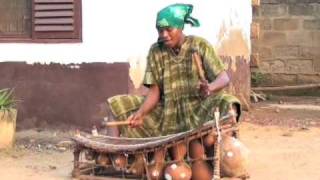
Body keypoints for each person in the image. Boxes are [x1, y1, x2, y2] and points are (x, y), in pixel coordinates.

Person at [106, 3, 241, 138]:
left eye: (169, 29)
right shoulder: (155, 51)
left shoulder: (200, 45)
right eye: (160, 30)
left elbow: (224, 78)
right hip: (167, 111)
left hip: (198, 108)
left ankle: (220, 145)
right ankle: (112, 153)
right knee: (117, 104)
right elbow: (154, 91)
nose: (164, 34)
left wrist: (210, 88)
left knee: (229, 102)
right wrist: (140, 113)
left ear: (180, 27)